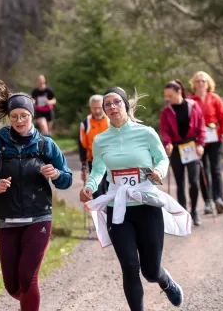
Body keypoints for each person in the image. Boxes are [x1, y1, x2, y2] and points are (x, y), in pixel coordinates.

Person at [79, 87, 185, 310]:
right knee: (129, 265)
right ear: (104, 110)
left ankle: (165, 280)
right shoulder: (100, 140)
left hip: (146, 206)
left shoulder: (146, 133)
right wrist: (89, 187)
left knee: (150, 271)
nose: (112, 107)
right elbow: (98, 170)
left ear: (125, 105)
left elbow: (162, 159)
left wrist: (159, 172)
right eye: (108, 104)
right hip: (118, 208)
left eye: (117, 102)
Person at [0, 80, 72, 311]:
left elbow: (67, 179)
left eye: (24, 116)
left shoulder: (45, 145)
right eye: (15, 116)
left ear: (32, 116)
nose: (19, 121)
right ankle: (28, 302)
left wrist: (56, 173)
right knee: (12, 285)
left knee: (28, 277)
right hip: (7, 220)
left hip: (39, 218)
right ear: (9, 117)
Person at [160, 79, 206, 226]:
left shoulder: (193, 106)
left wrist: (201, 144)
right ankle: (183, 213)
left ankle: (194, 211)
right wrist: (167, 143)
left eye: (170, 96)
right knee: (180, 183)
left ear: (179, 92)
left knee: (194, 182)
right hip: (176, 149)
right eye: (166, 96)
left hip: (191, 147)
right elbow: (164, 130)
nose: (168, 99)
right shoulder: (166, 111)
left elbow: (201, 127)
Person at [187, 71, 223, 215]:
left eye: (203, 81)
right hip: (198, 140)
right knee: (202, 170)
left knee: (216, 169)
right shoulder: (190, 100)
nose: (200, 84)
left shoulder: (215, 98)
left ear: (208, 83)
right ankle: (208, 201)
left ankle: (219, 199)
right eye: (198, 81)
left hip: (215, 138)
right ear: (193, 84)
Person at [77, 94, 110, 198]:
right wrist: (83, 165)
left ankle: (111, 214)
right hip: (94, 161)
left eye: (99, 108)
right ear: (90, 107)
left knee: (112, 192)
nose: (97, 111)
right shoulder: (85, 123)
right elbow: (82, 145)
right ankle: (99, 214)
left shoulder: (111, 120)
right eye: (94, 108)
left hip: (111, 161)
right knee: (97, 192)